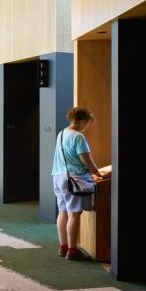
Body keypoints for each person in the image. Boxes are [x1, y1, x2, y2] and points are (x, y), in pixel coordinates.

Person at [52, 107, 109, 261]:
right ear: (82, 121)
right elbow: (86, 159)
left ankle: (63, 246)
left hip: (58, 176)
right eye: (88, 122)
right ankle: (72, 250)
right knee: (74, 214)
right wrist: (98, 173)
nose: (87, 126)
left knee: (62, 212)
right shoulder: (78, 136)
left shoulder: (61, 133)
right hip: (74, 178)